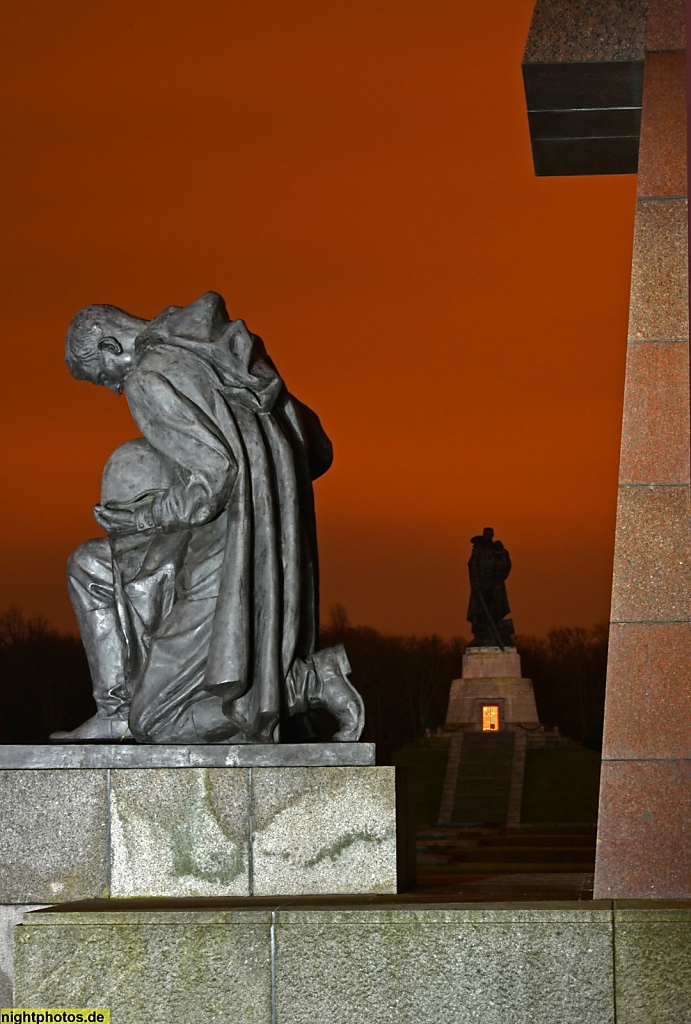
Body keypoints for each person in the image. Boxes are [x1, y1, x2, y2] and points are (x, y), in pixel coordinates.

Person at [51, 291, 364, 744]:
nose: (114, 389)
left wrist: (141, 516)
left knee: (157, 723)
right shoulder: (210, 343)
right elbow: (315, 447)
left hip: (223, 552)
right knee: (90, 565)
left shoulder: (146, 377)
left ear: (110, 347)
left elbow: (214, 478)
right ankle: (115, 708)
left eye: (104, 379)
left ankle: (309, 682)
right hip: (266, 536)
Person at [466, 526, 514, 648]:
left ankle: (497, 626)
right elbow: (473, 564)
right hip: (482, 584)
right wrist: (476, 581)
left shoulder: (497, 550)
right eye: (485, 534)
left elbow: (506, 564)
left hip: (495, 582)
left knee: (497, 604)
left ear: (492, 535)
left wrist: (498, 567)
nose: (487, 536)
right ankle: (482, 631)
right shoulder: (478, 550)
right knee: (482, 608)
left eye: (489, 534)